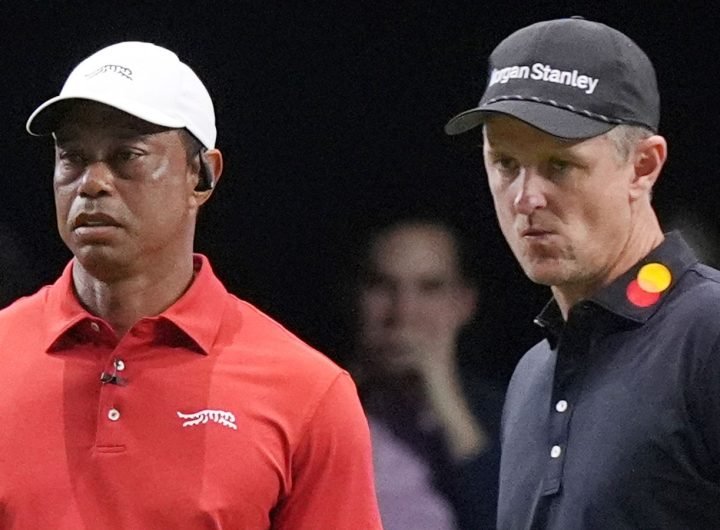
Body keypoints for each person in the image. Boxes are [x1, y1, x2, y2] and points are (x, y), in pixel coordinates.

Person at [0, 41, 382, 529]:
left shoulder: (307, 394)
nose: (92, 182)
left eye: (127, 155)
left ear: (202, 176)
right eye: (72, 157)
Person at [445, 16, 720, 529]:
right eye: (505, 163)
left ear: (643, 166)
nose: (526, 198)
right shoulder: (533, 375)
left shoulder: (708, 335)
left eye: (559, 164)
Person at [351, 217, 503, 529]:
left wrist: (444, 396)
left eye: (429, 288)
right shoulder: (312, 410)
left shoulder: (508, 413)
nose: (403, 312)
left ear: (464, 303)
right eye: (383, 286)